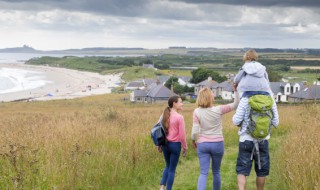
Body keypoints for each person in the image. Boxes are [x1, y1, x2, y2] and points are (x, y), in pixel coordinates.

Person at [191, 87, 239, 190]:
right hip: (217, 144)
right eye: (212, 93)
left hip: (203, 144)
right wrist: (235, 90)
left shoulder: (196, 112)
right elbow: (235, 104)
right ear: (209, 97)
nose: (213, 95)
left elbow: (195, 130)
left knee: (203, 173)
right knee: (216, 171)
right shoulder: (219, 109)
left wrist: (194, 140)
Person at [232, 89, 279, 190]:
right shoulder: (270, 98)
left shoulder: (245, 98)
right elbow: (276, 122)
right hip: (263, 140)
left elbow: (236, 121)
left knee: (241, 171)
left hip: (246, 140)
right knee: (261, 172)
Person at [159, 95, 187, 190]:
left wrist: (159, 144)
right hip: (175, 145)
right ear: (174, 103)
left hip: (165, 145)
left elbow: (159, 131)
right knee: (172, 169)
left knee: (167, 165)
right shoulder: (180, 117)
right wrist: (185, 147)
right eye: (180, 102)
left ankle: (162, 186)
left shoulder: (163, 115)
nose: (182, 103)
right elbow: (182, 135)